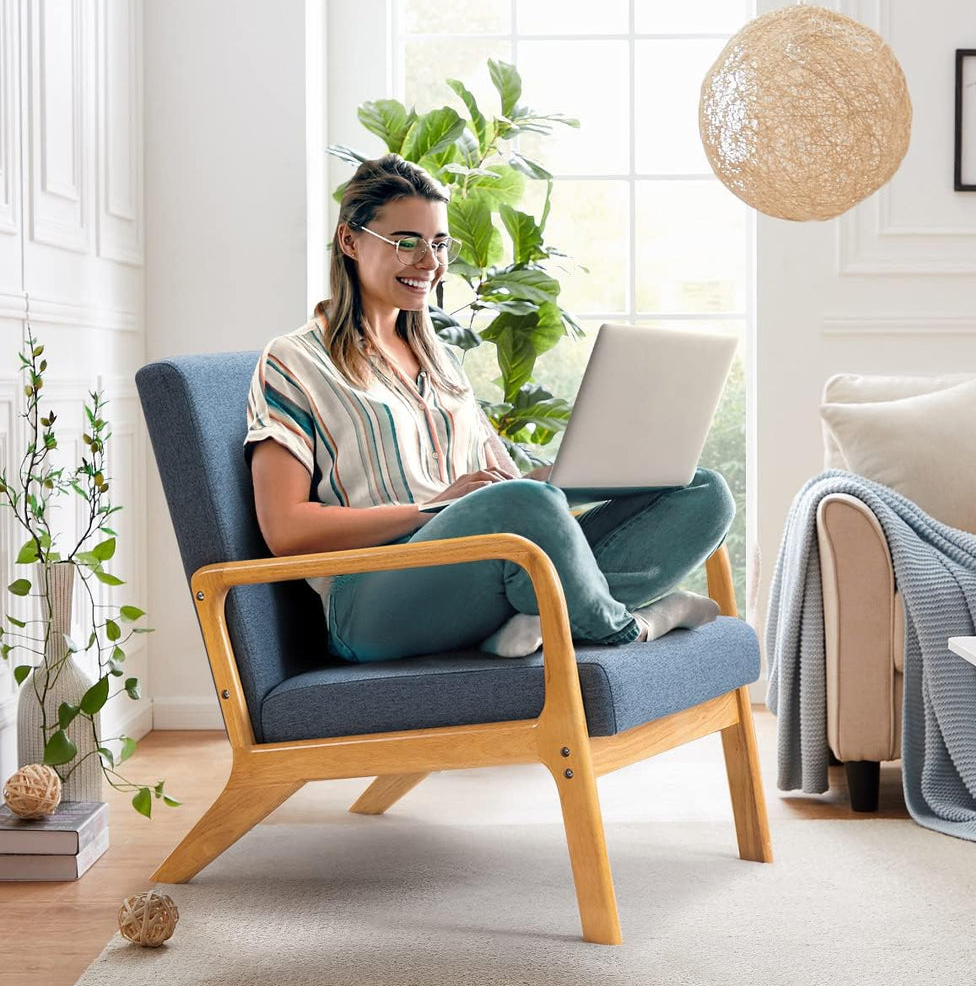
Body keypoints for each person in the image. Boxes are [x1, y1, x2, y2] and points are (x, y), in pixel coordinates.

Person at [244, 154, 735, 663]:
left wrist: (604, 468)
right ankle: (633, 626)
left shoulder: (442, 360)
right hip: (372, 599)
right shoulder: (296, 359)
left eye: (439, 244)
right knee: (526, 505)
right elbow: (287, 530)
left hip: (480, 570)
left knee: (702, 490)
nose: (430, 263)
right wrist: (435, 508)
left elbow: (504, 486)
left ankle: (531, 617)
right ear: (350, 241)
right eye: (407, 242)